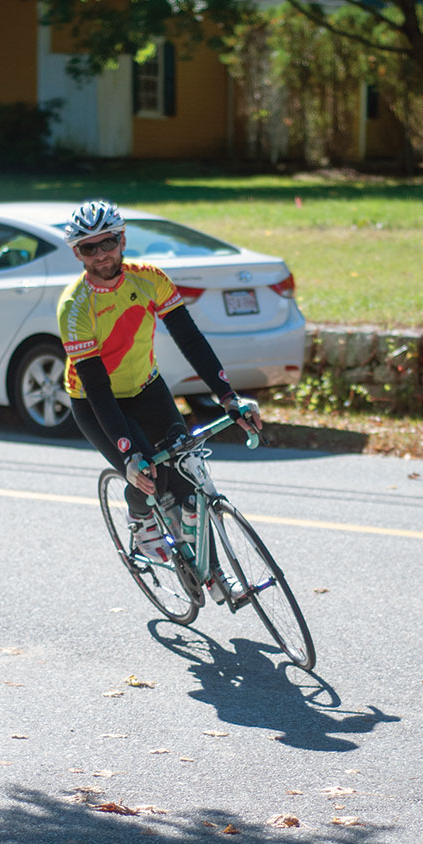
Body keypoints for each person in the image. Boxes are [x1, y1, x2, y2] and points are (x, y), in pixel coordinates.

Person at [57, 199, 261, 600]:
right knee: (149, 476)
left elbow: (190, 339)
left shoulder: (149, 279)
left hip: (146, 387)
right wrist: (129, 454)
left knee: (188, 478)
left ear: (123, 238)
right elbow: (98, 387)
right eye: (88, 248)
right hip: (96, 401)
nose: (102, 255)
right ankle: (140, 520)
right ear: (76, 253)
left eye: (109, 242)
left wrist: (228, 397)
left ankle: (217, 576)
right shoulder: (75, 307)